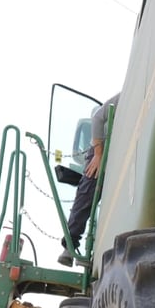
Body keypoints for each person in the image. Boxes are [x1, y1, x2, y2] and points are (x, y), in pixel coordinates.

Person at [59, 92, 119, 266]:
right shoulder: (123, 97)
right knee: (87, 193)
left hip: (121, 149)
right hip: (102, 151)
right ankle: (70, 246)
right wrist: (99, 155)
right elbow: (98, 117)